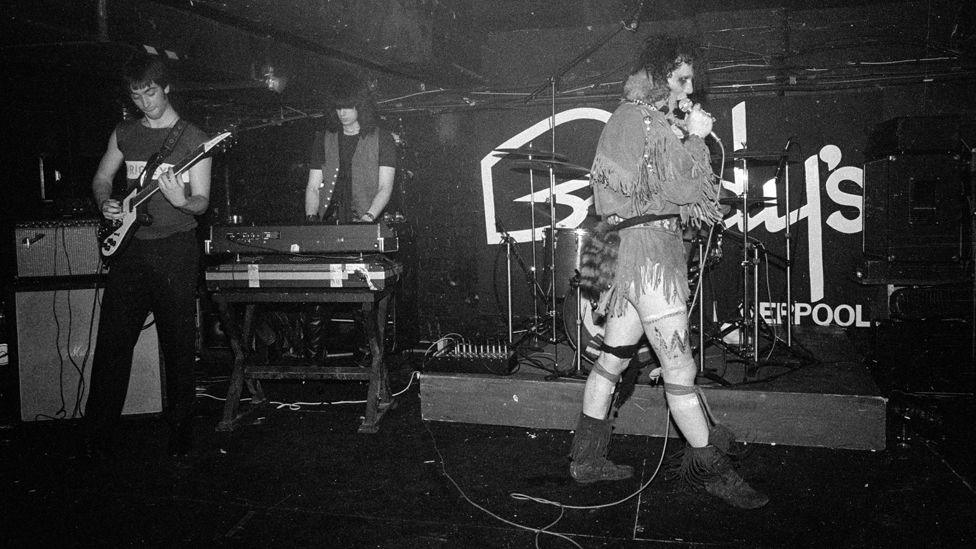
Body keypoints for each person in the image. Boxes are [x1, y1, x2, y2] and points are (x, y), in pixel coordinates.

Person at [570, 35, 768, 509]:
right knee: (680, 367)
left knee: (614, 356)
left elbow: (636, 190)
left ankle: (586, 460)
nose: (689, 91)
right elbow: (682, 189)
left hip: (629, 257)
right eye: (682, 80)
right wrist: (696, 135)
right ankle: (711, 472)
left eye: (692, 82)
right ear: (661, 78)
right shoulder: (645, 121)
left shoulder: (631, 119)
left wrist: (680, 136)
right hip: (649, 257)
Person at [85, 53, 212, 458]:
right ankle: (97, 435)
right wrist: (106, 202)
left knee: (177, 344)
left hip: (176, 248)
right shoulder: (125, 132)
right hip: (131, 250)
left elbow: (202, 201)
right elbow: (104, 177)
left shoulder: (193, 138)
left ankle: (181, 435)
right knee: (112, 344)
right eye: (137, 95)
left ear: (167, 87)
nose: (145, 103)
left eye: (151, 92)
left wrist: (181, 199)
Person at [301, 79, 397, 361]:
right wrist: (310, 220)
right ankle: (313, 363)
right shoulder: (325, 137)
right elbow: (313, 186)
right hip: (327, 224)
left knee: (361, 295)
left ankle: (366, 362)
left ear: (361, 107)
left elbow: (385, 187)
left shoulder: (382, 138)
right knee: (315, 296)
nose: (342, 112)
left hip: (363, 222)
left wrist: (368, 219)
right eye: (338, 107)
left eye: (348, 106)